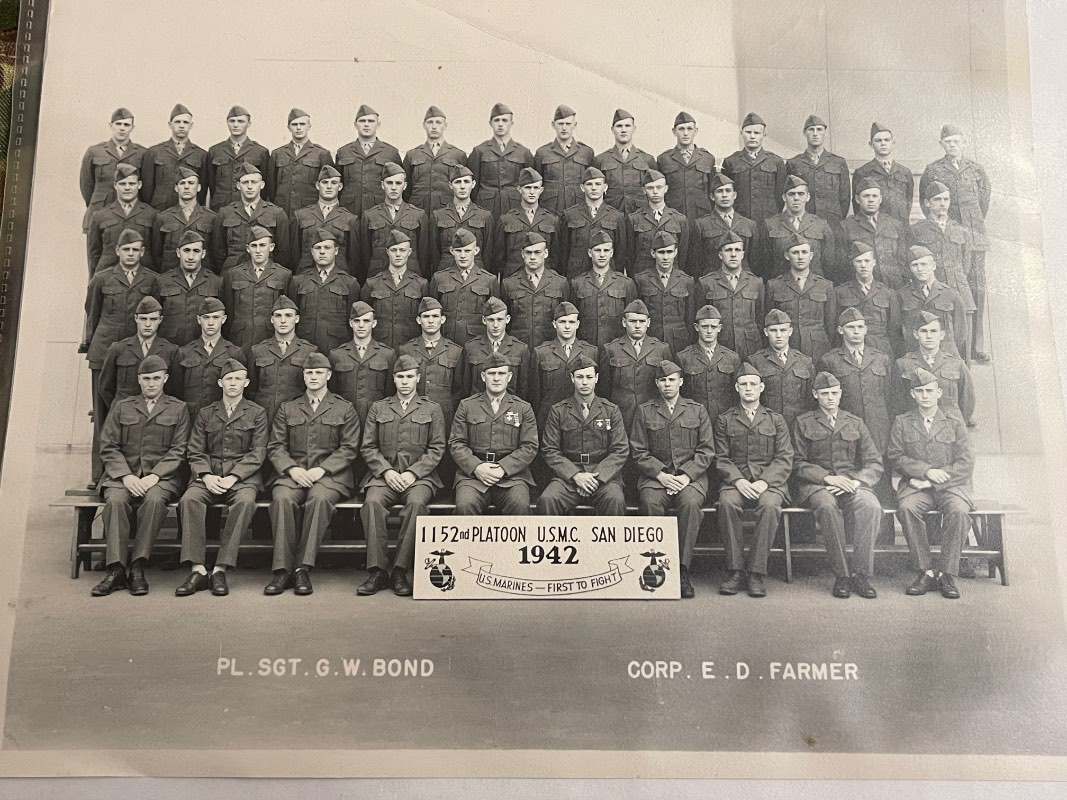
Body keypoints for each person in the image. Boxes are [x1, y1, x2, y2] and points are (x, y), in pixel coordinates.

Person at [265, 352, 362, 596]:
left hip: (330, 475)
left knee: (318, 500)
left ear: (328, 375)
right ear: (303, 376)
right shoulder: (288, 408)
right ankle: (282, 568)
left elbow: (349, 448)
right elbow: (275, 446)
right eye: (309, 373)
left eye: (319, 372)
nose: (313, 377)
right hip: (293, 472)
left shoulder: (344, 408)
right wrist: (292, 469)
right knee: (282, 499)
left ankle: (302, 568)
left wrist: (322, 469)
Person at [92, 355, 189, 597]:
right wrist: (126, 476)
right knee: (115, 502)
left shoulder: (178, 408)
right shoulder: (122, 406)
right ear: (139, 380)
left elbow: (180, 449)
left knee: (155, 502)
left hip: (161, 478)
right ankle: (116, 568)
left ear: (165, 378)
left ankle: (138, 565)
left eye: (156, 378)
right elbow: (108, 446)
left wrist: (154, 475)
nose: (151, 383)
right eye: (146, 379)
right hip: (122, 476)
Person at [175, 358, 268, 597]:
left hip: (242, 477)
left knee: (245, 503)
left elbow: (258, 452)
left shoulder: (257, 413)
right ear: (220, 382)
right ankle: (197, 569)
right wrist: (205, 475)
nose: (233, 384)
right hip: (209, 474)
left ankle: (220, 568)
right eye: (229, 379)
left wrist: (234, 477)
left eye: (238, 379)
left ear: (246, 382)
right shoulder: (206, 413)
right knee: (189, 501)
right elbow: (195, 450)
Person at [357, 355, 447, 597]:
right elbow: (368, 446)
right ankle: (377, 570)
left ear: (417, 378)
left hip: (419, 477)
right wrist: (385, 471)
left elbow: (437, 447)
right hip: (383, 475)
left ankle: (400, 569)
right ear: (394, 379)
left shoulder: (432, 408)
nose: (405, 382)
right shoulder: (379, 407)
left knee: (416, 505)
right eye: (400, 377)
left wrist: (413, 472)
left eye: (409, 377)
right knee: (372, 503)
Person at [792, 372, 883, 599]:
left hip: (851, 482)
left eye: (834, 393)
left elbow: (873, 461)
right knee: (826, 507)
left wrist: (856, 481)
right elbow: (796, 462)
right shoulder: (803, 422)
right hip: (818, 485)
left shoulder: (855, 422)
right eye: (824, 394)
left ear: (841, 394)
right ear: (815, 395)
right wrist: (826, 478)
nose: (830, 398)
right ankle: (842, 575)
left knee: (870, 506)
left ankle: (861, 575)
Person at [629, 360, 715, 599]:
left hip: (691, 478)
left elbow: (706, 450)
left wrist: (687, 475)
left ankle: (681, 569)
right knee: (650, 504)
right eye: (663, 380)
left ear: (681, 382)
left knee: (690, 505)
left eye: (672, 380)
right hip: (656, 478)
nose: (668, 384)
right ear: (657, 383)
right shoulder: (645, 410)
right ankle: (653, 567)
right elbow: (638, 451)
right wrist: (661, 475)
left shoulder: (697, 409)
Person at [887, 367, 975, 599]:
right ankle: (925, 570)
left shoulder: (955, 422)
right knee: (906, 509)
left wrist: (935, 480)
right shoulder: (902, 421)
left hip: (950, 486)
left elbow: (965, 463)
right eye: (920, 391)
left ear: (938, 393)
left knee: (959, 511)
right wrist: (926, 472)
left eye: (929, 390)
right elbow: (895, 456)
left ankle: (947, 573)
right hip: (916, 485)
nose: (925, 395)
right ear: (912, 395)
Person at [81, 228, 160, 483]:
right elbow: (92, 314)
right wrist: (91, 344)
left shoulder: (150, 280)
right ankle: (99, 474)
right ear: (117, 251)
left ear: (142, 252)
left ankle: (133, 469)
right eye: (126, 249)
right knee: (104, 413)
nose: (131, 254)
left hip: (138, 352)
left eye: (135, 250)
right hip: (104, 353)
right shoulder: (102, 279)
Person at [714, 363, 793, 598]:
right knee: (727, 504)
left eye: (753, 384)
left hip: (769, 483)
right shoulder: (725, 419)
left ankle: (757, 572)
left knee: (769, 506)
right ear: (737, 388)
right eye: (744, 385)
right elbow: (721, 457)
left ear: (761, 387)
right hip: (736, 482)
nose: (748, 389)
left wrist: (764, 482)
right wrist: (738, 481)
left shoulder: (775, 420)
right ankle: (735, 570)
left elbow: (784, 457)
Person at [920, 124, 992, 362]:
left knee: (976, 290)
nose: (953, 146)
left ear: (964, 143)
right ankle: (951, 343)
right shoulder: (933, 170)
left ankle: (976, 345)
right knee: (948, 288)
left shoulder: (976, 170)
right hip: (948, 237)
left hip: (974, 238)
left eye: (957, 141)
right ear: (942, 144)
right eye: (948, 142)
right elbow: (926, 201)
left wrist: (970, 229)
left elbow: (984, 202)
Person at [537, 354, 629, 516]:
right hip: (569, 477)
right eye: (579, 377)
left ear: (596, 378)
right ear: (572, 378)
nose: (584, 382)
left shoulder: (611, 410)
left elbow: (620, 450)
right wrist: (576, 475)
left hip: (603, 477)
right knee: (548, 499)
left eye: (589, 377)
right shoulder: (559, 410)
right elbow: (550, 450)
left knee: (615, 500)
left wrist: (596, 479)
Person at [449, 353, 539, 515]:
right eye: (491, 373)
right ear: (483, 376)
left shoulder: (523, 408)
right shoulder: (467, 405)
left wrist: (503, 468)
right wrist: (476, 467)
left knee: (519, 505)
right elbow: (457, 443)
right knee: (465, 506)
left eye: (501, 373)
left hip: (512, 477)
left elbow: (529, 446)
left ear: (509, 377)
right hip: (473, 477)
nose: (496, 378)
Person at [910, 180, 977, 360]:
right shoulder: (917, 230)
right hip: (931, 299)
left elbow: (966, 264)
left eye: (946, 199)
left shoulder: (961, 230)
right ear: (927, 203)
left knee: (962, 351)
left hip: (960, 294)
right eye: (937, 199)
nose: (942, 204)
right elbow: (912, 263)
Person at [818, 308, 895, 454]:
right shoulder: (829, 360)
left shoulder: (881, 358)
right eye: (850, 327)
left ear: (866, 329)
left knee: (881, 470)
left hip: (877, 427)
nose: (856, 331)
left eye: (860, 327)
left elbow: (889, 396)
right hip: (846, 427)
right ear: (841, 330)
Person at [98, 296, 179, 427]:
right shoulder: (118, 349)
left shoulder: (171, 351)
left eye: (153, 319)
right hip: (124, 417)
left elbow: (174, 388)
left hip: (157, 418)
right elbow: (105, 387)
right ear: (136, 318)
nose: (147, 324)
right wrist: (121, 406)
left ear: (160, 320)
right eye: (143, 319)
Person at [598, 299, 673, 429]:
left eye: (642, 321)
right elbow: (604, 388)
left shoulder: (661, 349)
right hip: (621, 414)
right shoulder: (611, 349)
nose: (637, 325)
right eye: (632, 321)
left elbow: (669, 385)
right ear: (624, 322)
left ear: (648, 323)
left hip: (653, 414)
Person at [246, 296, 320, 424]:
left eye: (288, 315)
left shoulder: (310, 351)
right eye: (278, 316)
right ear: (272, 320)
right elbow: (251, 390)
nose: (283, 320)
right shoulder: (257, 351)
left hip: (297, 417)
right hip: (264, 416)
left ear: (296, 319)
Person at [221, 226, 294, 354]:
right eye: (254, 246)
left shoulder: (284, 275)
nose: (258, 250)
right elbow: (229, 310)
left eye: (262, 245)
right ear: (248, 249)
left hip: (270, 337)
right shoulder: (233, 275)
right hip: (240, 338)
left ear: (271, 247)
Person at [171, 297, 246, 421]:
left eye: (216, 317)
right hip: (190, 416)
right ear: (199, 320)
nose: (211, 323)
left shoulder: (234, 353)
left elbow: (241, 390)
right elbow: (175, 389)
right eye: (206, 317)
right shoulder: (184, 352)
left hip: (221, 418)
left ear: (224, 319)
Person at [766, 233, 837, 363]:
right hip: (787, 345)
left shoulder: (825, 285)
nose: (800, 257)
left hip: (818, 348)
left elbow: (830, 324)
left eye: (804, 252)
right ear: (787, 256)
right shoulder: (774, 285)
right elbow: (768, 319)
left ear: (811, 256)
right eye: (795, 252)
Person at [289, 228, 362, 354]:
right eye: (318, 248)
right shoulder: (298, 282)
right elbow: (292, 317)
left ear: (336, 251)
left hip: (337, 347)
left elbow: (353, 321)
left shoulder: (350, 283)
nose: (322, 252)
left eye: (327, 248)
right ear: (311, 252)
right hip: (305, 346)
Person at [895, 312, 976, 426]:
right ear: (915, 334)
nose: (929, 336)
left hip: (950, 428)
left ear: (942, 335)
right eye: (923, 331)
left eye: (933, 331)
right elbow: (897, 401)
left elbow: (967, 401)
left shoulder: (956, 364)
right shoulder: (903, 364)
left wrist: (957, 425)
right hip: (915, 428)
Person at [397, 297, 465, 430]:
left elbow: (460, 390)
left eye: (435, 316)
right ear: (418, 320)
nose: (430, 320)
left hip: (445, 416)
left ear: (443, 319)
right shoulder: (406, 350)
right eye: (426, 316)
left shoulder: (455, 351)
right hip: (413, 415)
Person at [356, 162, 431, 280]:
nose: (394, 187)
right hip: (377, 276)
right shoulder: (370, 215)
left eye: (398, 183)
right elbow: (365, 252)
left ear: (405, 186)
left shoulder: (418, 215)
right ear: (382, 185)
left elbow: (424, 253)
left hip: (410, 277)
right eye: (389, 183)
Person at [756, 174, 838, 281]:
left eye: (800, 194)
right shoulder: (770, 225)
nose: (796, 198)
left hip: (814, 288)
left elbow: (829, 263)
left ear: (807, 197)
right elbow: (764, 263)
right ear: (784, 197)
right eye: (791, 194)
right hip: (781, 289)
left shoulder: (821, 225)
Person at [212, 161, 291, 271]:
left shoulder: (277, 213)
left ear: (262, 185)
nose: (249, 186)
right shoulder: (225, 213)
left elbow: (283, 252)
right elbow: (218, 251)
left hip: (266, 274)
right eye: (245, 182)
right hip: (233, 272)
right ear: (238, 186)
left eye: (254, 182)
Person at [698, 231, 765, 361]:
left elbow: (761, 318)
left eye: (737, 250)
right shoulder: (706, 283)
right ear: (720, 255)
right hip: (720, 344)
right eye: (728, 250)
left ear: (743, 254)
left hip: (750, 346)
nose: (733, 254)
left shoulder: (756, 282)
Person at [528, 301, 599, 423]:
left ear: (577, 324)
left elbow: (597, 390)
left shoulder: (591, 351)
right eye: (562, 322)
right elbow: (534, 394)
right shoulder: (541, 353)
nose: (567, 326)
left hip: (581, 418)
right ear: (554, 324)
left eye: (571, 322)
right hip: (549, 418)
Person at [327, 301, 397, 425]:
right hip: (343, 420)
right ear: (350, 323)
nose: (361, 325)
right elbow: (332, 393)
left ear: (374, 323)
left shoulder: (387, 354)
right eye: (356, 321)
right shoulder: (337, 355)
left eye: (366, 321)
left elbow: (390, 393)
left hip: (378, 419)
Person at [360, 230, 430, 350]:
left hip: (412, 347)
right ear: (387, 252)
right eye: (394, 250)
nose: (398, 254)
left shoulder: (421, 284)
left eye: (402, 250)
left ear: (409, 252)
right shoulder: (372, 283)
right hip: (380, 348)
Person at [79, 107, 146, 233]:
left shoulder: (142, 153)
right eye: (118, 124)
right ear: (111, 126)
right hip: (100, 210)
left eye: (126, 125)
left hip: (130, 214)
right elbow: (86, 185)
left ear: (132, 127)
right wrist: (97, 202)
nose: (122, 128)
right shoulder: (94, 152)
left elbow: (146, 187)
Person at [567, 229, 637, 348]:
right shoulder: (577, 283)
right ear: (590, 253)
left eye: (606, 250)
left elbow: (632, 318)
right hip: (586, 347)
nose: (602, 255)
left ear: (612, 253)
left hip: (617, 348)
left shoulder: (626, 284)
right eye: (597, 250)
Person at [896, 245, 969, 358]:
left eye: (924, 264)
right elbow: (896, 331)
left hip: (946, 356)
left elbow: (960, 332)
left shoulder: (950, 294)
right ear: (910, 268)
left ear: (933, 266)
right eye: (915, 265)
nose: (920, 269)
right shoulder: (901, 295)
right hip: (914, 356)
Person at [747, 309, 815, 428]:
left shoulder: (805, 362)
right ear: (766, 332)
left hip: (798, 425)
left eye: (783, 330)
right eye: (773, 330)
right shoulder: (755, 362)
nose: (779, 335)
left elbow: (811, 399)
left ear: (790, 331)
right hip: (767, 425)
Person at [500, 231, 570, 348]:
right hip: (518, 348)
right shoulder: (509, 284)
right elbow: (504, 322)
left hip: (550, 349)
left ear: (546, 253)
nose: (532, 257)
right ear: (522, 254)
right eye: (528, 252)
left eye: (537, 252)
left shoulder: (560, 283)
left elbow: (566, 318)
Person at [834, 241, 904, 358]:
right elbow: (834, 327)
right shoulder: (840, 292)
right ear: (853, 264)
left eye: (867, 261)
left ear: (874, 263)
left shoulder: (888, 293)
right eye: (858, 261)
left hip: (881, 349)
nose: (863, 265)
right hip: (850, 349)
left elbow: (894, 330)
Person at [428, 228, 497, 344]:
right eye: (458, 251)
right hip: (446, 341)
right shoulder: (439, 278)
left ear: (476, 251)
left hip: (477, 343)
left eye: (467, 251)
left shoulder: (489, 280)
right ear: (451, 251)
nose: (463, 255)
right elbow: (430, 313)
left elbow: (494, 316)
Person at [87, 163, 158, 274]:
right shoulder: (100, 216)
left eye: (132, 183)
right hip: (108, 278)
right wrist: (93, 280)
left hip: (143, 280)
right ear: (115, 185)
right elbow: (94, 254)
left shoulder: (152, 215)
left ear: (139, 185)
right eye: (123, 184)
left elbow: (157, 252)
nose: (127, 188)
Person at [557, 166, 629, 278]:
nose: (594, 188)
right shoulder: (569, 215)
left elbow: (620, 254)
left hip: (606, 277)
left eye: (598, 184)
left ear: (605, 187)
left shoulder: (617, 216)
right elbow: (563, 251)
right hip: (576, 275)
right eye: (589, 184)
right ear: (582, 187)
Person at [633, 231, 697, 355]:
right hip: (651, 340)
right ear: (653, 253)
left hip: (680, 342)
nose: (666, 257)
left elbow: (690, 317)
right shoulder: (641, 280)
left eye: (669, 252)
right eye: (661, 252)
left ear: (676, 252)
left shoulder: (686, 281)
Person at [677, 304, 741, 425]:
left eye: (713, 326)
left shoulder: (732, 357)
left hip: (724, 419)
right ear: (696, 327)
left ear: (719, 328)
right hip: (693, 419)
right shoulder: (683, 357)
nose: (709, 331)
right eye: (705, 326)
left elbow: (737, 394)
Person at [841, 177, 910, 289]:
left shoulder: (895, 224)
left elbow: (903, 259)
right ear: (858, 199)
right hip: (863, 286)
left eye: (874, 196)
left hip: (893, 285)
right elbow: (843, 264)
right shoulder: (846, 226)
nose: (871, 200)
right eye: (866, 196)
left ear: (881, 199)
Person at [468, 102, 534, 218]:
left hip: (515, 206)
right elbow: (473, 186)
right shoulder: (479, 151)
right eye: (496, 120)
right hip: (485, 207)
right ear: (490, 123)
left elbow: (530, 185)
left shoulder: (523, 152)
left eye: (504, 120)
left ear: (511, 123)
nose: (500, 124)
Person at [335, 103, 402, 217]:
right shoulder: (343, 152)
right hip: (349, 211)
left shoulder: (391, 152)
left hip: (380, 211)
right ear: (355, 125)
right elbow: (336, 184)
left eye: (371, 121)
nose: (366, 125)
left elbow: (400, 185)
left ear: (378, 124)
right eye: (362, 121)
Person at [156, 230, 222, 346]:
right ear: (178, 252)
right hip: (170, 346)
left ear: (203, 254)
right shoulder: (162, 281)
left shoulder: (216, 282)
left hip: (202, 347)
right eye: (186, 251)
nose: (190, 257)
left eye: (196, 251)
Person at [290, 164, 358, 275]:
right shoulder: (301, 215)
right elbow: (294, 254)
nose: (329, 186)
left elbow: (354, 258)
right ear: (317, 185)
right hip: (305, 276)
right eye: (325, 182)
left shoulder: (350, 219)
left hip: (339, 277)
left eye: (334, 183)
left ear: (340, 187)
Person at [721, 112, 787, 225]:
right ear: (741, 133)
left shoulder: (776, 162)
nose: (752, 136)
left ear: (764, 134)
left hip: (769, 222)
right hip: (739, 222)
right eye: (748, 132)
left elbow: (781, 195)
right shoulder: (730, 162)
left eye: (756, 133)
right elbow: (725, 195)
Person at [266, 108, 334, 217]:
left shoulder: (322, 154)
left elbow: (330, 187)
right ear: (288, 127)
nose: (298, 128)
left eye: (302, 124)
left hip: (311, 213)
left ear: (309, 126)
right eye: (294, 124)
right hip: (283, 211)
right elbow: (270, 188)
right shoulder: (277, 154)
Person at [492, 168, 559, 278]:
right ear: (519, 189)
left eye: (535, 188)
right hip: (513, 280)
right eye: (527, 187)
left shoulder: (551, 220)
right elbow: (498, 258)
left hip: (543, 280)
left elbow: (555, 257)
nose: (532, 192)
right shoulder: (506, 220)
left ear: (541, 190)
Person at [786, 114, 851, 227]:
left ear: (824, 132)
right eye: (811, 130)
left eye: (819, 129)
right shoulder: (794, 163)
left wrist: (837, 219)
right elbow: (787, 195)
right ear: (805, 133)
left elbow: (845, 197)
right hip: (804, 223)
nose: (815, 133)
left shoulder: (838, 162)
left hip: (832, 222)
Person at [140, 103, 208, 211]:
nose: (181, 126)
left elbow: (202, 189)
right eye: (177, 122)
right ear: (170, 124)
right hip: (160, 210)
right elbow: (147, 188)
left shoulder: (201, 155)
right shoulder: (154, 152)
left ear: (191, 125)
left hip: (188, 211)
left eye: (185, 122)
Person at [150, 166, 218, 274]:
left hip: (202, 278)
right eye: (182, 183)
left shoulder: (211, 218)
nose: (186, 187)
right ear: (176, 188)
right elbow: (156, 253)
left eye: (191, 183)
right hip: (170, 276)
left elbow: (216, 252)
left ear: (199, 187)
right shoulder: (163, 218)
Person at [403, 105, 468, 215]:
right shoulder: (412, 155)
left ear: (445, 125)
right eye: (430, 122)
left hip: (448, 212)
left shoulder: (458, 155)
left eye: (438, 122)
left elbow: (466, 186)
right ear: (424, 125)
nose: (434, 126)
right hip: (417, 211)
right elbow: (404, 188)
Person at [429, 165, 496, 272]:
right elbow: (434, 253)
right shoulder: (438, 215)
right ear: (450, 185)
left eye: (466, 181)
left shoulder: (485, 216)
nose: (462, 186)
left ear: (473, 184)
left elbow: (488, 253)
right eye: (457, 182)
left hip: (476, 273)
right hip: (446, 273)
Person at [461, 297, 530, 398]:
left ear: (507, 319)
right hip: (478, 408)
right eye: (491, 320)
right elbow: (465, 387)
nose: (495, 325)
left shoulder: (520, 349)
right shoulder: (471, 347)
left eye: (500, 319)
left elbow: (524, 388)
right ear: (484, 320)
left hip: (509, 408)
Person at [205, 105, 270, 212]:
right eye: (232, 121)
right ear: (227, 123)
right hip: (221, 207)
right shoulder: (215, 151)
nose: (235, 125)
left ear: (249, 124)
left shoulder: (260, 152)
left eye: (240, 121)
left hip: (250, 209)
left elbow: (265, 187)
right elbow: (212, 184)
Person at [658, 111, 716, 229]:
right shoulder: (664, 159)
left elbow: (713, 191)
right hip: (674, 217)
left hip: (702, 217)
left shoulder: (707, 158)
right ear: (674, 132)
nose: (685, 133)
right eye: (681, 129)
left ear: (696, 131)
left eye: (689, 129)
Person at [534, 104, 595, 215]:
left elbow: (593, 184)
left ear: (574, 125)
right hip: (549, 211)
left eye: (568, 124)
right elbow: (536, 185)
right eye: (560, 124)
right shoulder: (542, 153)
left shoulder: (586, 153)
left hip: (579, 211)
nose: (564, 128)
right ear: (553, 125)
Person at [627, 169, 690, 275]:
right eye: (650, 188)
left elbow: (683, 254)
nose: (655, 191)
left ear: (666, 189)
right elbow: (630, 255)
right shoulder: (634, 219)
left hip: (671, 277)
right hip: (642, 277)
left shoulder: (679, 219)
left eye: (659, 187)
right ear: (644, 190)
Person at [692, 173, 757, 275]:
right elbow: (696, 262)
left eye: (728, 190)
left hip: (743, 283)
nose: (724, 195)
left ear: (734, 195)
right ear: (712, 197)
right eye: (719, 191)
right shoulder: (701, 224)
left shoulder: (749, 225)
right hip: (712, 282)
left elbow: (755, 261)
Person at [852, 123, 914, 225]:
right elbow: (857, 206)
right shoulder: (862, 172)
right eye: (878, 140)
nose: (883, 143)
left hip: (900, 226)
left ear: (893, 143)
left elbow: (908, 202)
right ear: (871, 144)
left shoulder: (905, 172)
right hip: (875, 227)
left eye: (887, 140)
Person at [594, 109, 655, 214]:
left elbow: (656, 189)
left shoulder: (647, 159)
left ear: (634, 129)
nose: (623, 130)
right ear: (612, 129)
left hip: (640, 215)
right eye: (619, 126)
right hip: (610, 214)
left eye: (627, 126)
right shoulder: (600, 160)